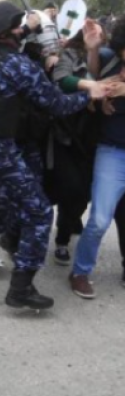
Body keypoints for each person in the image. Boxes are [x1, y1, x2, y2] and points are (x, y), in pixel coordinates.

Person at [0, 2, 112, 310]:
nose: (25, 29)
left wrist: (32, 27)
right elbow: (55, 103)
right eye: (20, 26)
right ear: (9, 32)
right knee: (39, 211)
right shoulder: (15, 64)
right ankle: (21, 288)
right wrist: (90, 94)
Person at [70, 16, 125, 298]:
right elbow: (89, 77)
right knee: (100, 219)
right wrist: (92, 48)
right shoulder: (109, 57)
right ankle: (80, 271)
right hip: (112, 151)